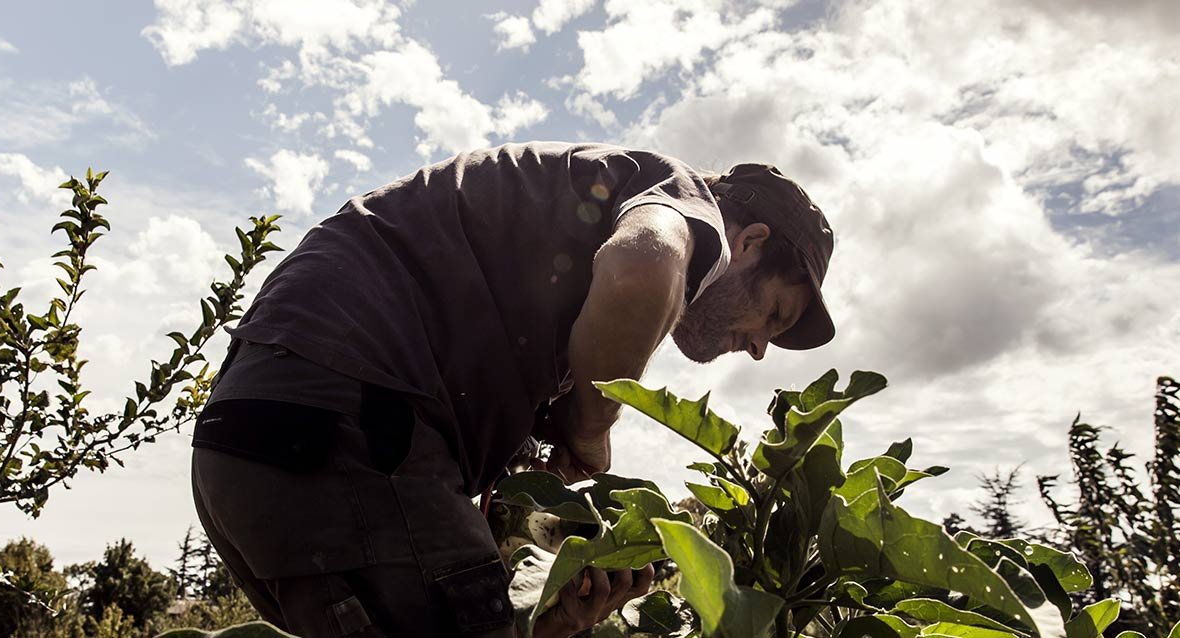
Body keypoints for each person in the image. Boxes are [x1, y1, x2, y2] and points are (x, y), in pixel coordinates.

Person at [190, 141, 836, 637]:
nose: (757, 347)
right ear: (747, 242)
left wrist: (533, 617)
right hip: (349, 420)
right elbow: (640, 272)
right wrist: (590, 426)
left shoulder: (539, 250)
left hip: (252, 443)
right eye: (773, 316)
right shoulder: (678, 194)